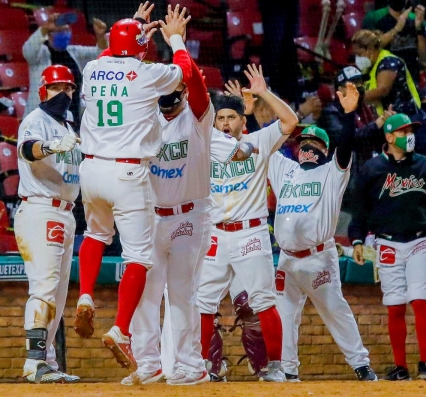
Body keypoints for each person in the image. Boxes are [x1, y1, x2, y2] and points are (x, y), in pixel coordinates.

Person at [72, 3, 192, 372]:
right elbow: (184, 72)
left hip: (90, 169)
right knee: (138, 257)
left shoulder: (92, 68)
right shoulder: (148, 72)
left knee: (95, 233)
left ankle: (86, 295)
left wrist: (135, 29)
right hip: (128, 172)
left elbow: (114, 51)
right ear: (139, 46)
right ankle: (121, 329)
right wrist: (176, 39)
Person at [125, 55, 254, 385]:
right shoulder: (145, 118)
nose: (167, 108)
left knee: (182, 293)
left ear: (181, 92)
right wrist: (136, 53)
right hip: (152, 217)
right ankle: (148, 364)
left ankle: (189, 365)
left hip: (189, 216)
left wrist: (178, 43)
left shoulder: (198, 119)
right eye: (162, 103)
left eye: (172, 101)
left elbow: (239, 149)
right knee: (146, 294)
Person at [268, 83, 376, 382]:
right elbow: (262, 144)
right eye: (303, 144)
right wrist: (254, 112)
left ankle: (361, 365)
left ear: (324, 151)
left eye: (314, 145)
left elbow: (345, 147)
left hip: (318, 259)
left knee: (335, 311)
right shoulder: (284, 169)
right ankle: (289, 371)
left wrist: (349, 115)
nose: (307, 148)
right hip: (286, 260)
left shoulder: (332, 173)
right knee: (285, 315)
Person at [197, 65, 298, 382]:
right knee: (202, 303)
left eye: (231, 118)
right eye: (221, 118)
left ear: (244, 120)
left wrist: (264, 92)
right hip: (215, 233)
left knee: (264, 301)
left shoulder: (260, 139)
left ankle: (275, 366)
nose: (225, 123)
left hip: (250, 233)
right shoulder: (207, 144)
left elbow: (291, 121)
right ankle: (205, 367)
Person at [348, 113, 426, 381]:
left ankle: (425, 365)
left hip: (420, 239)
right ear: (388, 137)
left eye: (411, 130)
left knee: (421, 301)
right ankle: (401, 367)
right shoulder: (372, 169)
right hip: (385, 241)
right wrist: (358, 239)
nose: (409, 135)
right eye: (403, 131)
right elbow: (360, 210)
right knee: (395, 305)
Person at [14, 65, 81, 384]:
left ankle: (47, 362)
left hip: (65, 212)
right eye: (56, 88)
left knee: (58, 294)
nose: (63, 94)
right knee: (43, 287)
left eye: (68, 88)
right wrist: (51, 146)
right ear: (43, 90)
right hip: (41, 209)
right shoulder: (34, 120)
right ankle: (34, 362)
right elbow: (28, 151)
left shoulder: (70, 124)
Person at [23, 9, 108, 123]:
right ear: (50, 34)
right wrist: (44, 28)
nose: (65, 34)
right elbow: (27, 51)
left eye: (67, 30)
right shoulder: (40, 55)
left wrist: (100, 35)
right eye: (60, 31)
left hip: (71, 117)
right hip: (41, 120)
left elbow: (99, 54)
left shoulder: (73, 52)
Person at [351, 29, 421, 116]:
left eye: (359, 54)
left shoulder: (389, 62)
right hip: (387, 119)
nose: (357, 58)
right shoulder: (368, 68)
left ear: (370, 49)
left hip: (407, 117)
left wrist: (355, 97)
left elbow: (383, 90)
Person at [362, 0, 426, 83]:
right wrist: (397, 29)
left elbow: (423, 58)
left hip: (411, 76)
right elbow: (370, 49)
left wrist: (419, 29)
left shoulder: (415, 18)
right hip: (383, 76)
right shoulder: (374, 17)